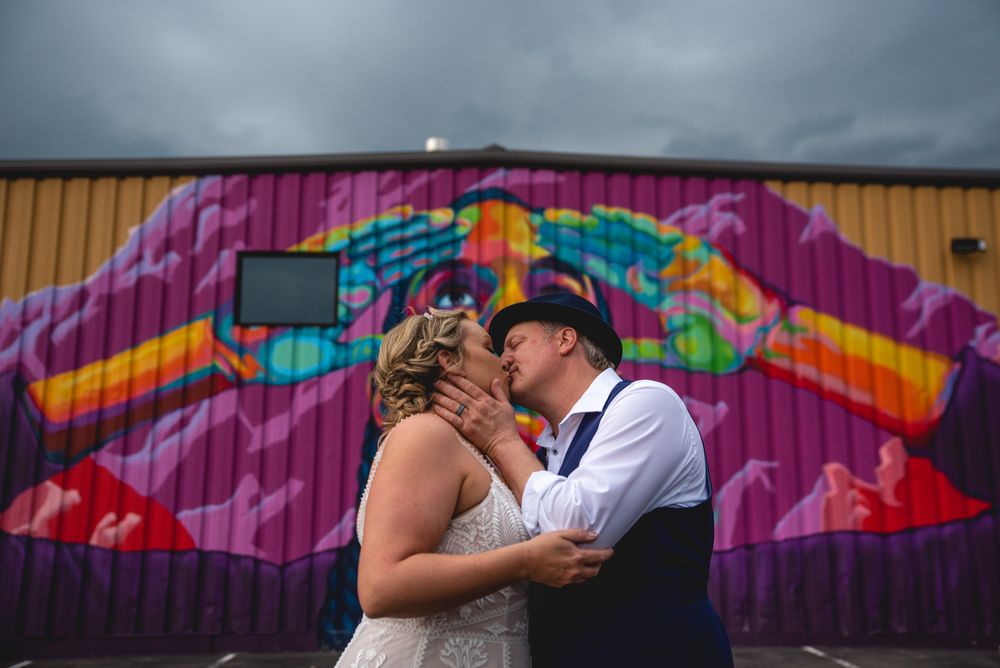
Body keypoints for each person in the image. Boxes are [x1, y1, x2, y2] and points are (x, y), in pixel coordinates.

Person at [432, 292, 735, 666]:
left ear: (565, 339)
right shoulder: (544, 453)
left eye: (515, 344)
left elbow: (574, 532)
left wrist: (501, 440)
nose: (503, 359)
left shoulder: (647, 404)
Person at [335, 307, 613, 667]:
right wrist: (525, 561)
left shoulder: (478, 448)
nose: (504, 360)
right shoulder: (425, 434)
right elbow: (381, 587)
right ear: (449, 360)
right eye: (489, 348)